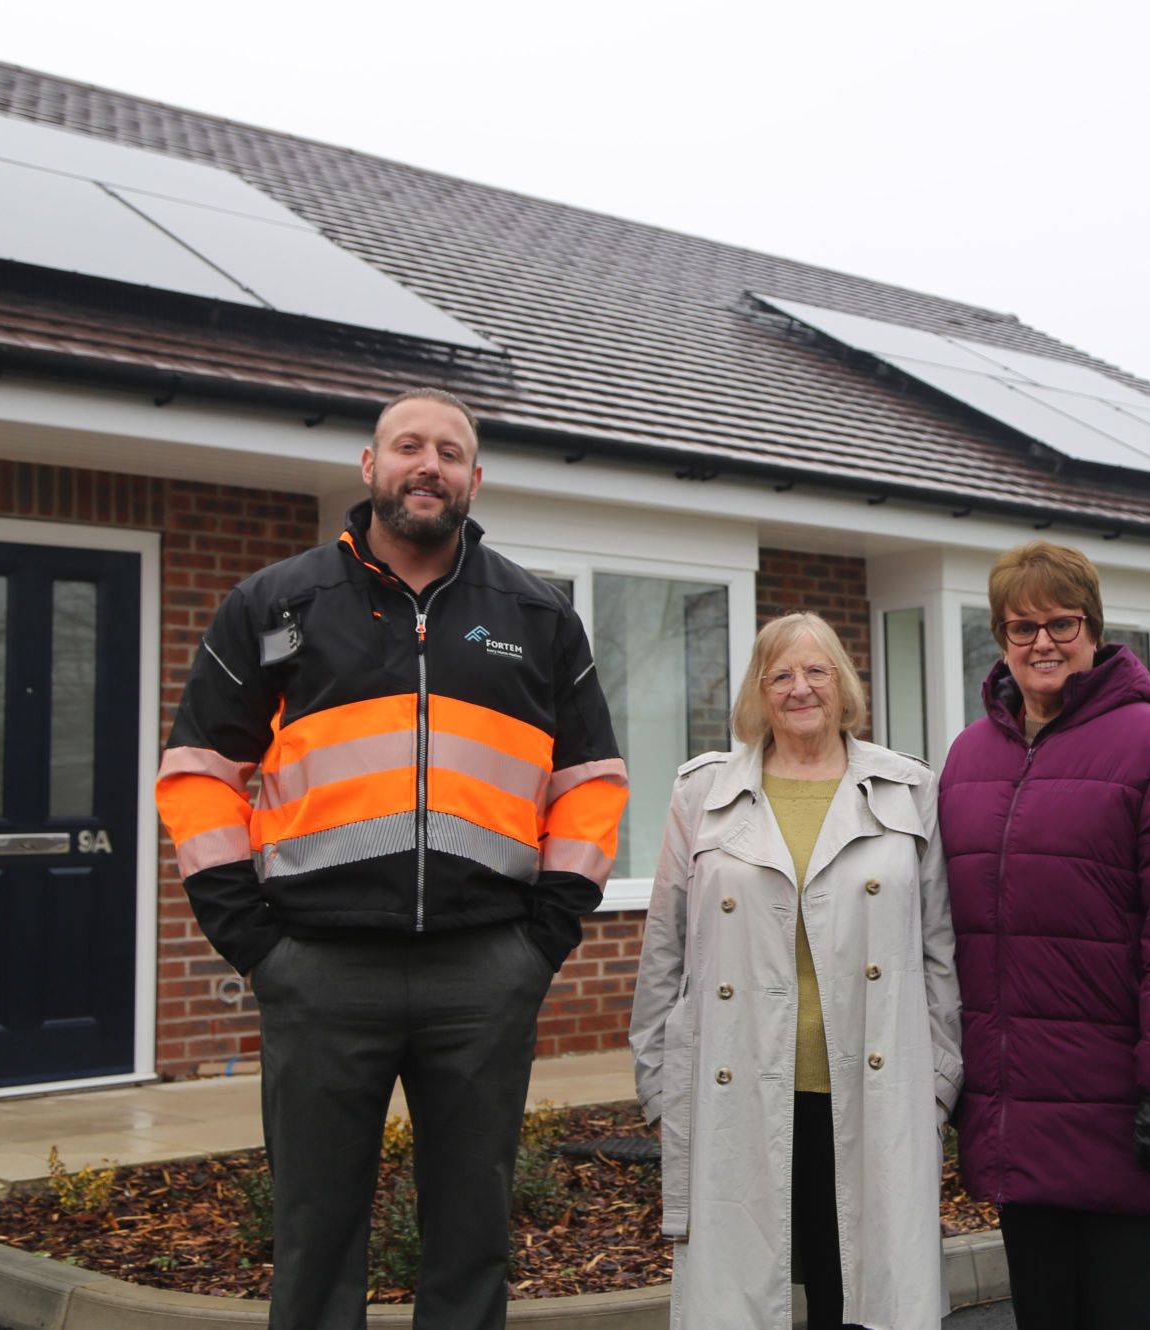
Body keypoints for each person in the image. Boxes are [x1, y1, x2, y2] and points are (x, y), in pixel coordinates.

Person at [154, 387, 627, 1330]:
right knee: (314, 1233)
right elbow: (200, 773)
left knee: (472, 1235)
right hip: (318, 970)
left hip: (482, 970)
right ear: (370, 466)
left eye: (449, 453)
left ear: (474, 478)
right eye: (408, 446)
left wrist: (541, 941)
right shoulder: (274, 604)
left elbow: (589, 783)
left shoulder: (536, 614)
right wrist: (255, 945)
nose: (428, 466)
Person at [937, 542, 1150, 1330]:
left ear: (1094, 629)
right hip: (1020, 1119)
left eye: (1061, 623)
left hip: (1131, 1118)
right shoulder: (968, 760)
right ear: (1001, 638)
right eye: (1021, 627)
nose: (1041, 642)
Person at [629, 612, 961, 1330]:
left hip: (875, 1086)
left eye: (816, 671)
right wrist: (659, 1080)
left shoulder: (907, 788)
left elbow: (939, 947)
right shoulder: (703, 793)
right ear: (758, 691)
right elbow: (664, 948)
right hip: (738, 1084)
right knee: (748, 1292)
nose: (799, 688)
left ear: (844, 685)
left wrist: (939, 1079)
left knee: (861, 1291)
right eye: (779, 674)